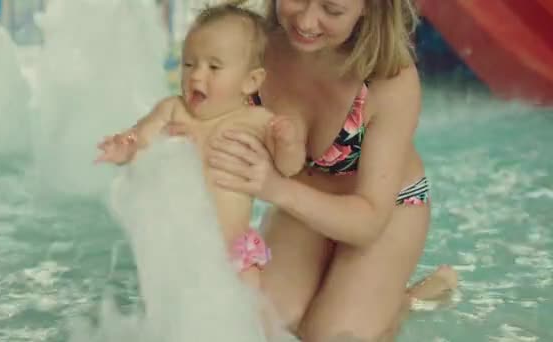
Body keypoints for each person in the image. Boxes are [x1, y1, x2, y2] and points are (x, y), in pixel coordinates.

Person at [164, 0, 460, 341]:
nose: (306, 21)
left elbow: (367, 222)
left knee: (333, 336)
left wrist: (273, 188)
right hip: (302, 202)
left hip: (384, 211)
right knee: (269, 325)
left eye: (331, 10)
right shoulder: (252, 48)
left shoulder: (389, 78)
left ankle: (403, 301)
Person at [95, 4, 306, 293]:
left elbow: (289, 168)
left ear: (250, 81)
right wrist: (125, 146)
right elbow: (141, 136)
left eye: (213, 67)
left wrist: (288, 142)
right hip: (182, 255)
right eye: (189, 64)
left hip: (234, 255)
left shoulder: (256, 121)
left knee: (250, 306)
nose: (196, 76)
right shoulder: (173, 110)